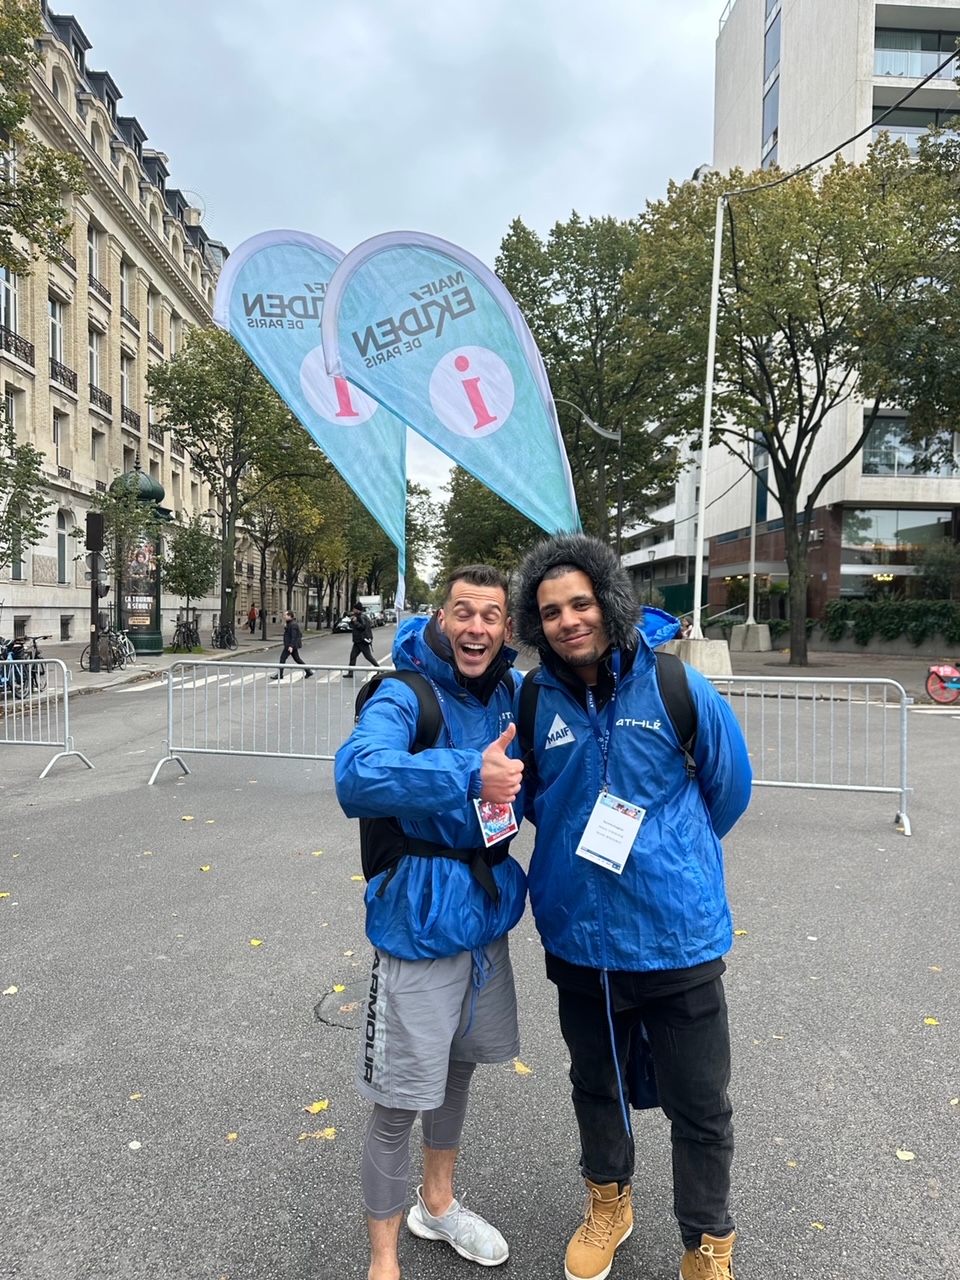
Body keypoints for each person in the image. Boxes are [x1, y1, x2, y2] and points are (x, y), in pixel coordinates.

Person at [512, 534, 752, 1280]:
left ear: (609, 603)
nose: (568, 620)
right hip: (580, 940)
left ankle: (707, 1241)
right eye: (551, 611)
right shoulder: (533, 695)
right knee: (596, 1085)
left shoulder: (678, 686)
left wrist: (670, 858)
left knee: (700, 1102)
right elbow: (525, 798)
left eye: (580, 603)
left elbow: (730, 787)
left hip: (676, 937)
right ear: (537, 621)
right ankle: (609, 1203)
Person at [335, 565, 527, 1280]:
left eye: (493, 615)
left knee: (456, 1071)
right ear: (441, 619)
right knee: (397, 1099)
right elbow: (356, 775)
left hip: (485, 919)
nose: (478, 626)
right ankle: (382, 1261)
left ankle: (437, 1206)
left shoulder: (510, 691)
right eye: (464, 612)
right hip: (417, 922)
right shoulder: (402, 692)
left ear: (507, 628)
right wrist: (466, 774)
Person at [269, 609, 312, 680]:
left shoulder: (293, 625)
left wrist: (291, 646)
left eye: (285, 615)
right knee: (297, 659)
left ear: (290, 616)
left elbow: (294, 636)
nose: (284, 616)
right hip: (291, 645)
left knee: (282, 658)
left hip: (290, 645)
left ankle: (280, 674)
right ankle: (308, 671)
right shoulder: (290, 623)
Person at [343, 601, 381, 677]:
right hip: (358, 641)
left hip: (362, 640)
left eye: (354, 609)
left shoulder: (361, 617)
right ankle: (351, 672)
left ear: (357, 610)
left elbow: (362, 627)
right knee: (353, 656)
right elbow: (353, 625)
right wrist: (352, 621)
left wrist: (355, 622)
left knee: (368, 656)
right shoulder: (359, 616)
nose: (353, 611)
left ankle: (380, 669)